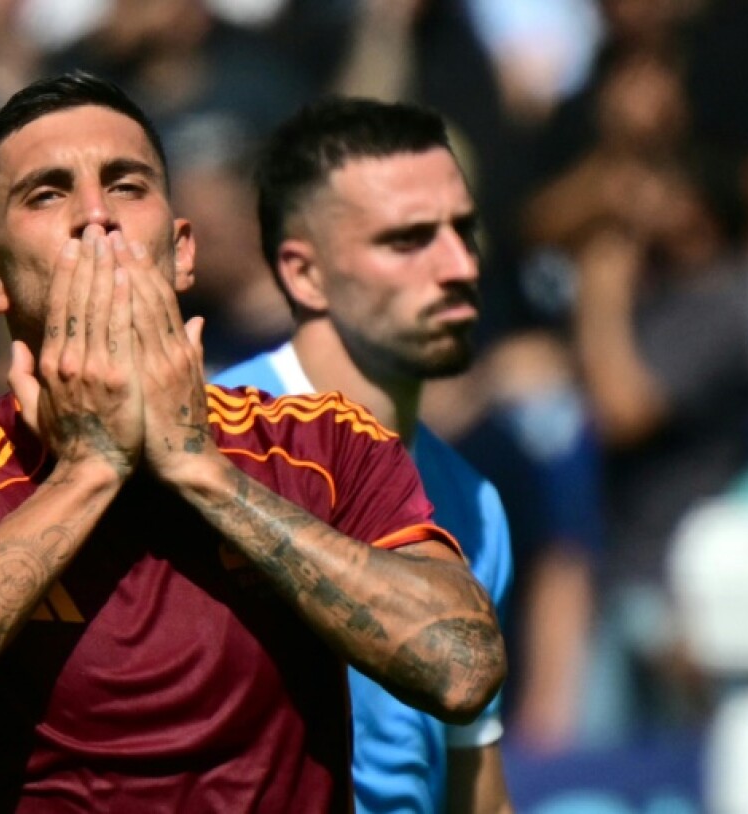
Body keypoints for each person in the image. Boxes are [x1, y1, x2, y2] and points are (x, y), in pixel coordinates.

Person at [0, 72, 506, 811]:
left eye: (127, 185)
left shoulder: (324, 441)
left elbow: (461, 669)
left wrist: (200, 470)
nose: (96, 216)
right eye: (47, 193)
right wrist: (91, 469)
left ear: (182, 249)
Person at [214, 97, 514, 813]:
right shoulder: (208, 452)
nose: (460, 264)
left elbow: (479, 792)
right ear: (304, 274)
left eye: (464, 230)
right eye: (409, 240)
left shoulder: (473, 501)